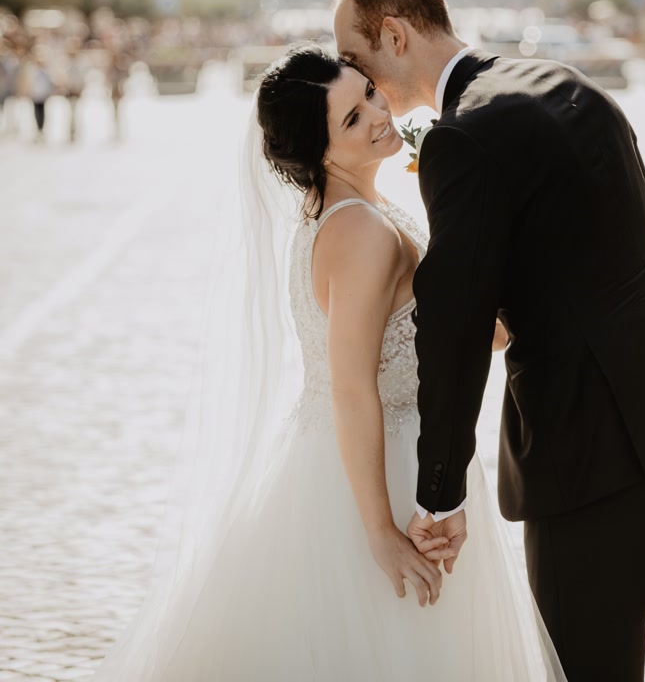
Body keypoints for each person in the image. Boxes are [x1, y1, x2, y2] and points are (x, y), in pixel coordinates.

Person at [333, 0, 645, 682]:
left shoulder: (463, 139)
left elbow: (454, 329)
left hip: (584, 443)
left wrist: (439, 491)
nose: (356, 78)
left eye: (355, 60)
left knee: (586, 668)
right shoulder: (568, 83)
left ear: (393, 35)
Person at [90, 44, 564, 681]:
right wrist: (380, 531)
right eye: (351, 118)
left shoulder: (352, 215)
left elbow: (473, 331)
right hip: (382, 471)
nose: (376, 112)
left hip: (373, 453)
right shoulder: (360, 233)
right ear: (318, 152)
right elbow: (350, 386)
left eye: (367, 91)